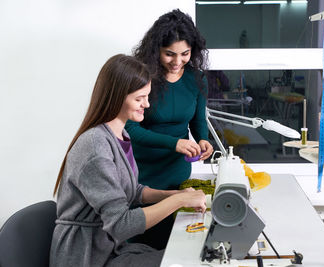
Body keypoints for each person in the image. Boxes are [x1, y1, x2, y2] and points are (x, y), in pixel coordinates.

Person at [50, 54, 206, 267]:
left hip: (109, 248)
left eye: (147, 97)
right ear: (117, 96)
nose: (147, 104)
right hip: (87, 256)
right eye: (140, 98)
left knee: (186, 257)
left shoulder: (120, 135)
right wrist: (179, 202)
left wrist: (176, 194)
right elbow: (122, 224)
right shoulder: (95, 146)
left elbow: (133, 191)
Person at [124, 9, 213, 249]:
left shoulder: (197, 78)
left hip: (178, 173)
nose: (177, 61)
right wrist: (175, 143)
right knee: (142, 245)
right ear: (156, 51)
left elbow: (197, 120)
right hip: (145, 175)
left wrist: (203, 140)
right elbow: (130, 128)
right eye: (169, 54)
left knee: (174, 245)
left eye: (185, 54)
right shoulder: (143, 78)